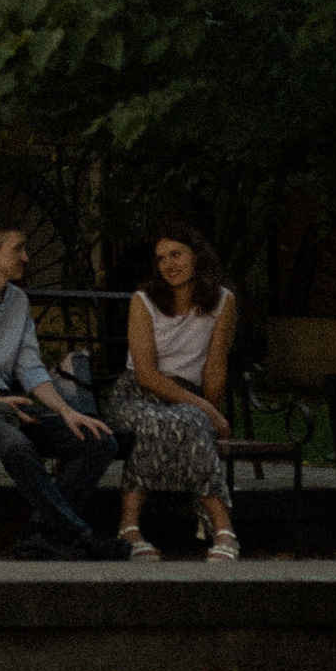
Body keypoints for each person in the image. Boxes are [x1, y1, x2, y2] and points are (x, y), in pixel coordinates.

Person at [0, 214, 121, 559]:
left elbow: (30, 370)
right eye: (19, 249)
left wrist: (68, 411)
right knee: (16, 446)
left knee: (99, 442)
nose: (26, 257)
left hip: (10, 404)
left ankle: (38, 535)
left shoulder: (18, 302)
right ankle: (78, 534)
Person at [108, 226, 241, 562]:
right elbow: (147, 374)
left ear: (197, 255)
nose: (169, 264)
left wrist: (209, 411)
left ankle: (217, 529)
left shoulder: (223, 301)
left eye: (176, 254)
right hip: (136, 395)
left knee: (187, 420)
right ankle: (217, 526)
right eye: (161, 258)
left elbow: (214, 368)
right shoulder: (144, 301)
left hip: (188, 398)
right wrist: (208, 413)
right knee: (166, 421)